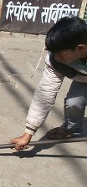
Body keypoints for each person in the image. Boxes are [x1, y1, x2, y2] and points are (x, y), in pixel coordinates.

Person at [11, 17, 87, 150]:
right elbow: (45, 93)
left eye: (62, 55)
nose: (57, 59)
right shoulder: (55, 60)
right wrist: (28, 133)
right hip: (83, 77)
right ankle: (71, 129)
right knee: (74, 103)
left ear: (81, 49)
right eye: (55, 54)